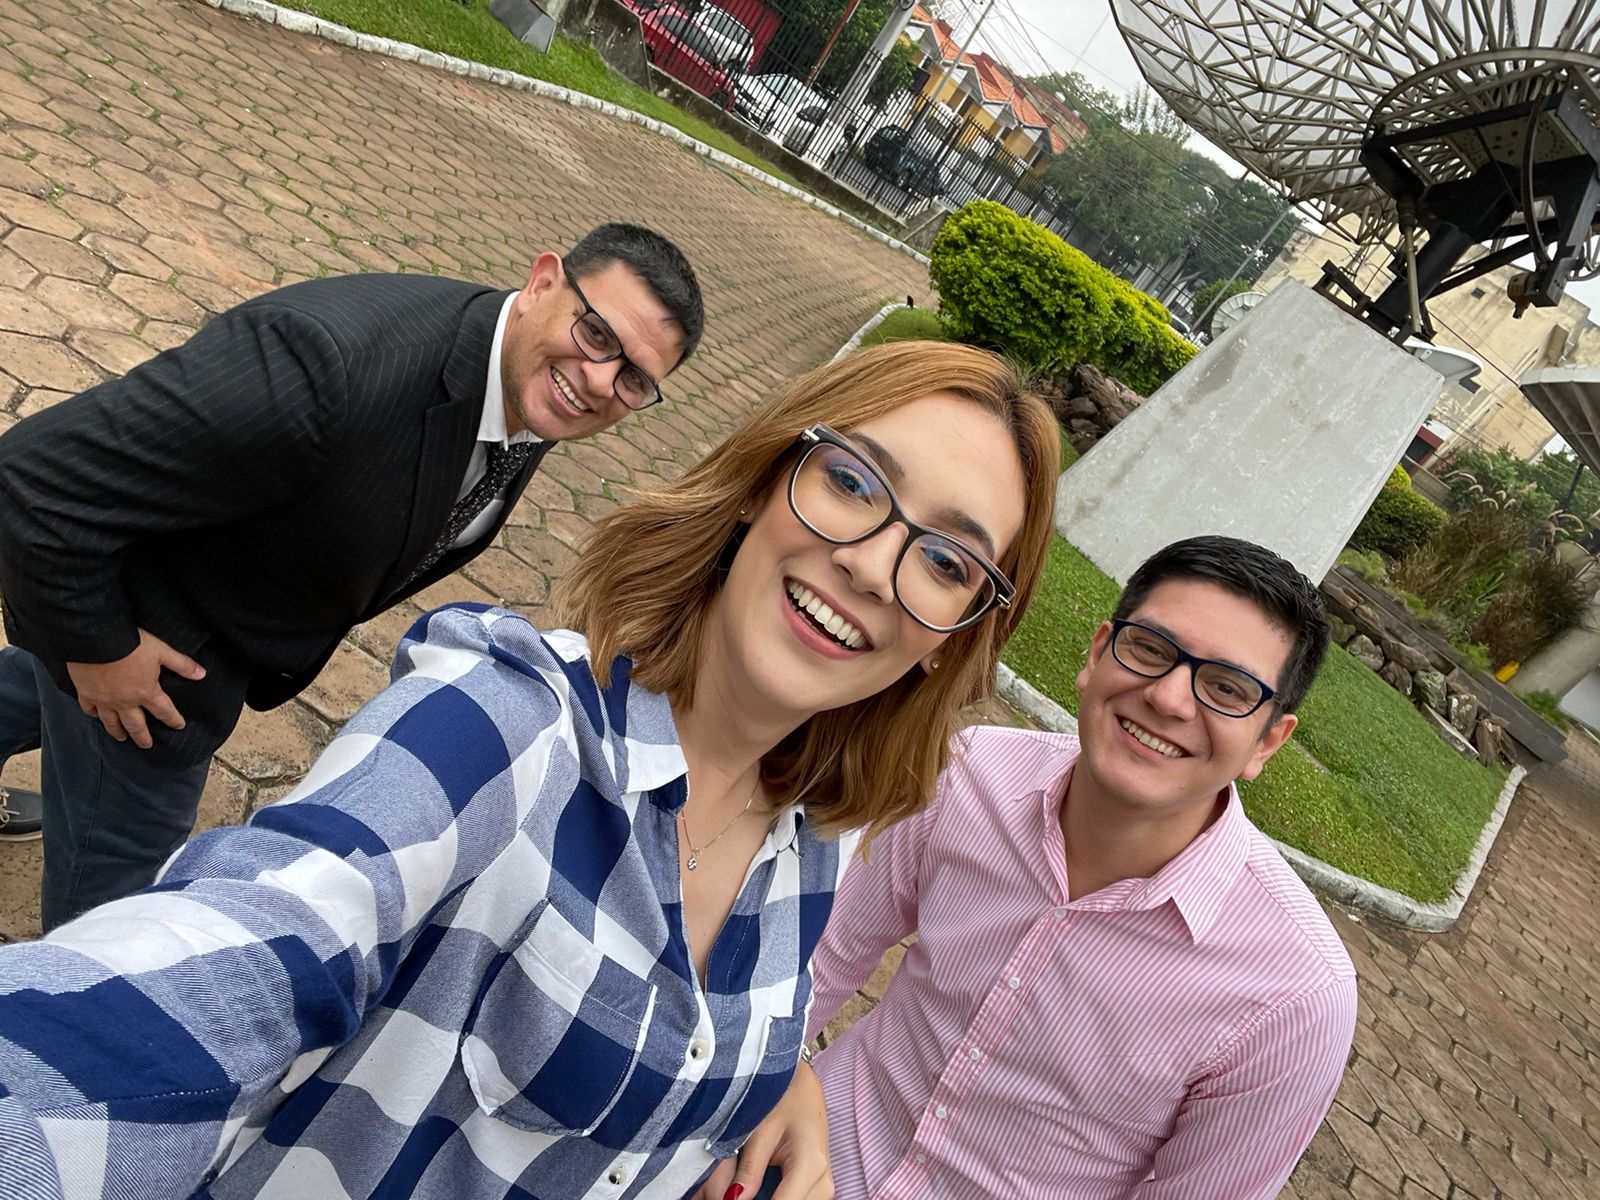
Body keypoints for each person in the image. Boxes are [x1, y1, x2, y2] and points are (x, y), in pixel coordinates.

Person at [0, 340, 1062, 1199]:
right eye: (850, 481)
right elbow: (231, 963)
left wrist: (777, 1079)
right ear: (761, 481)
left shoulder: (820, 846)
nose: (874, 564)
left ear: (950, 638)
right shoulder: (505, 727)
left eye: (946, 561)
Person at [0, 223, 703, 929]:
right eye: (597, 335)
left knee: (29, 687)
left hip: (223, 598)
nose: (600, 382)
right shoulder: (328, 368)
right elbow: (31, 481)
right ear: (543, 282)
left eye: (635, 378)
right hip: (155, 667)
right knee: (109, 923)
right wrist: (99, 650)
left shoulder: (529, 382)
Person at [718, 535, 1359, 1200]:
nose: (1169, 698)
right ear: (1098, 652)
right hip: (801, 1152)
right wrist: (767, 1082)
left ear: (1269, 742)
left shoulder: (1295, 996)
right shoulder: (975, 773)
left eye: (1227, 688)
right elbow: (810, 961)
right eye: (1150, 649)